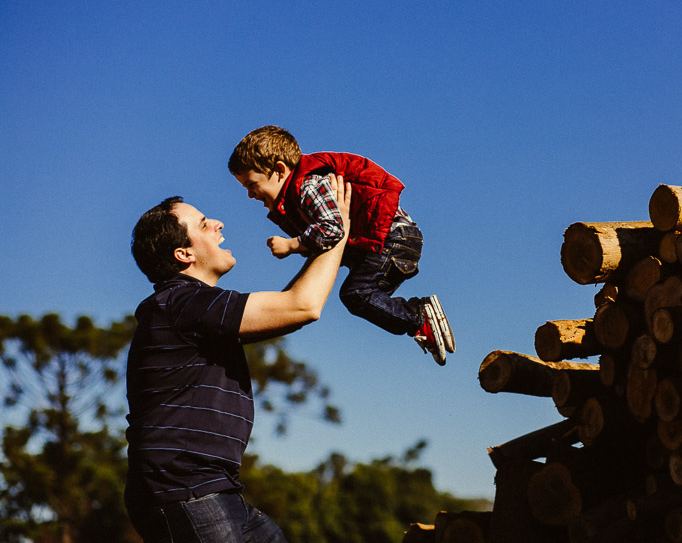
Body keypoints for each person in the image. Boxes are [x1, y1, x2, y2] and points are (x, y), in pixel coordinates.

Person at [124, 175, 351, 543]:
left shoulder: (188, 305)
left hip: (215, 489)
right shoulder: (180, 303)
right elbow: (302, 305)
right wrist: (337, 230)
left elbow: (298, 299)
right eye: (203, 224)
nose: (218, 224)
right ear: (184, 253)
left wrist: (327, 240)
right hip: (186, 489)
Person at [228, 125, 455, 365]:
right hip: (389, 242)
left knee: (357, 294)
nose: (250, 195)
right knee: (362, 296)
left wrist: (292, 245)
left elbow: (333, 228)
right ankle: (418, 318)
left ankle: (418, 318)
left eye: (252, 185)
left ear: (279, 170)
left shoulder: (307, 187)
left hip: (392, 239)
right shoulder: (297, 196)